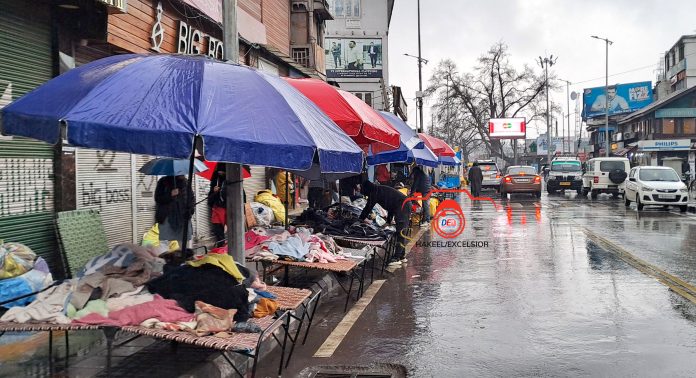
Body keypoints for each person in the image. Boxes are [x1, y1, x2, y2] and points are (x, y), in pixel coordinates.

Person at [358, 180, 411, 266]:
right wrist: (388, 221)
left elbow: (368, 208)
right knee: (400, 231)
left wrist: (360, 220)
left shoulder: (375, 192)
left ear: (366, 188)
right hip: (402, 205)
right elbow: (391, 206)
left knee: (400, 232)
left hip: (403, 206)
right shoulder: (378, 190)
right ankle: (401, 256)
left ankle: (396, 258)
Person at [155, 175, 195, 250]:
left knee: (184, 241)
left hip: (183, 217)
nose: (183, 174)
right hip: (167, 216)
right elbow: (158, 198)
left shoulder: (186, 183)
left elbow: (191, 198)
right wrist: (170, 194)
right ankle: (165, 260)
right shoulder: (163, 182)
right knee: (164, 241)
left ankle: (184, 259)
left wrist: (190, 210)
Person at [207, 163, 227, 243]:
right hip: (217, 208)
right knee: (218, 231)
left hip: (228, 209)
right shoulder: (215, 180)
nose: (220, 173)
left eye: (222, 171)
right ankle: (220, 246)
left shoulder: (231, 181)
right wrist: (214, 192)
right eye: (219, 171)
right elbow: (210, 197)